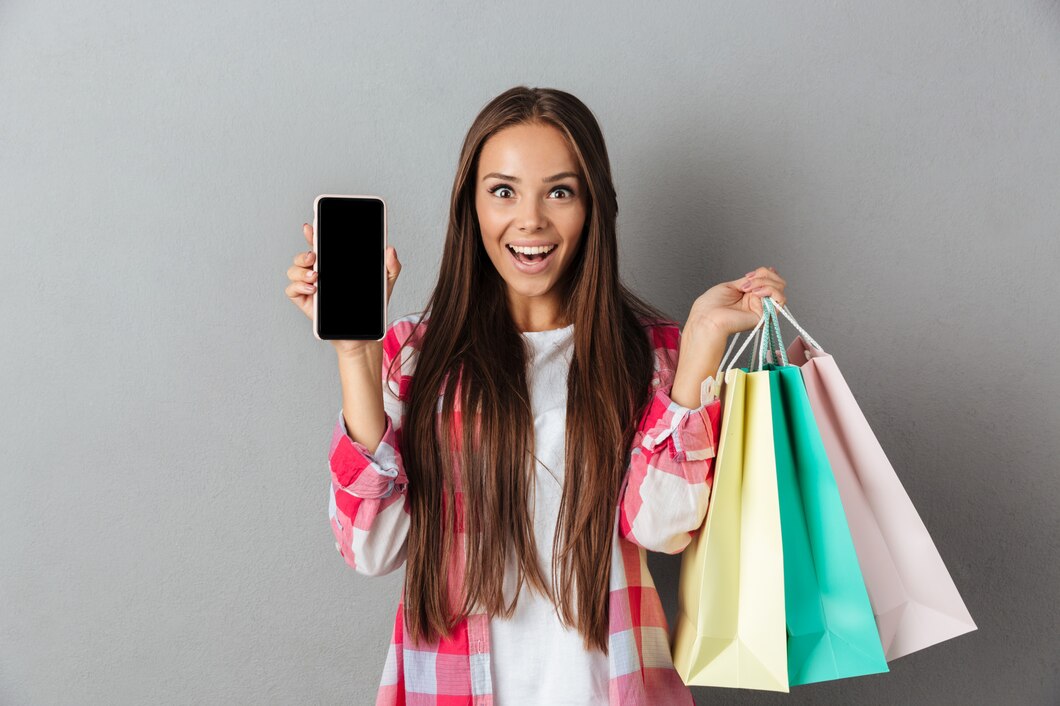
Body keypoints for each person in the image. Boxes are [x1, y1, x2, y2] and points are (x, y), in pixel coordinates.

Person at [285, 86, 788, 705]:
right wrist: (356, 354)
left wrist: (704, 339)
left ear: (593, 205)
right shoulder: (415, 354)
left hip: (609, 689)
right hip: (451, 689)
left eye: (560, 191)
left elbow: (659, 527)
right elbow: (371, 547)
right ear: (471, 208)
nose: (530, 220)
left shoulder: (651, 350)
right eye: (503, 191)